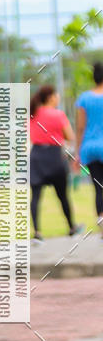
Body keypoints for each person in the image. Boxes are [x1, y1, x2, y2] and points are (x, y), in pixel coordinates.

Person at [29, 84, 82, 241]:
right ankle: (72, 227)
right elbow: (70, 136)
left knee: (36, 196)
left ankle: (37, 233)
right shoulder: (58, 115)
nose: (58, 98)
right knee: (63, 196)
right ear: (51, 97)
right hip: (55, 156)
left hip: (37, 155)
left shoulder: (32, 113)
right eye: (57, 95)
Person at [74, 62, 103, 238]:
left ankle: (102, 225)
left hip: (90, 148)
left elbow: (80, 127)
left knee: (99, 187)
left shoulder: (84, 98)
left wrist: (77, 152)